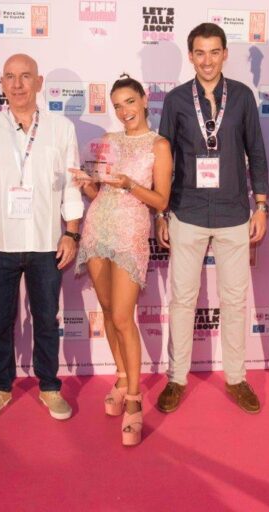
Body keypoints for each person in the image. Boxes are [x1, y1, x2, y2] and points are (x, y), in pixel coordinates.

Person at [155, 23, 269, 415]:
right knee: (183, 299)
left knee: (235, 300)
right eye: (199, 53)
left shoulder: (241, 96)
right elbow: (163, 159)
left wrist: (262, 205)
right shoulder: (174, 100)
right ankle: (176, 377)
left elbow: (256, 150)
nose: (207, 60)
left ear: (225, 54)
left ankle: (236, 377)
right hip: (186, 210)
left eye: (214, 52)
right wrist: (161, 211)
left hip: (234, 212)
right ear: (191, 56)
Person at [0, 54, 84, 423]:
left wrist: (71, 234)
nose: (17, 85)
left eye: (25, 77)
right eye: (10, 77)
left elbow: (71, 188)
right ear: (2, 83)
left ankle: (49, 385)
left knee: (47, 319)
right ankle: (0, 387)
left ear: (39, 81)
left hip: (47, 242)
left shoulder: (61, 128)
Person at [72, 75, 172, 446]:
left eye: (129, 102)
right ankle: (121, 377)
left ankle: (133, 401)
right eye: (117, 106)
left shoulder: (159, 145)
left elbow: (161, 200)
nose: (124, 111)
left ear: (145, 100)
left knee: (121, 317)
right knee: (108, 308)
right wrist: (86, 184)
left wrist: (130, 184)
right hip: (97, 227)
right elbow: (101, 190)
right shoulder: (109, 142)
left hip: (130, 233)